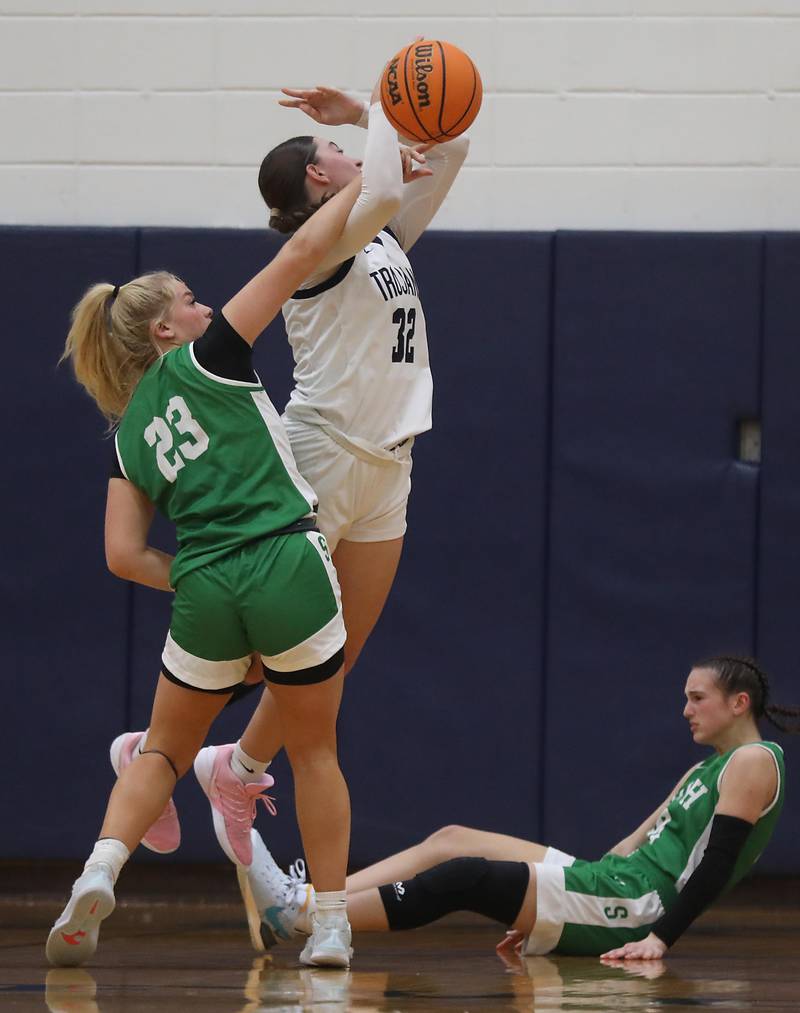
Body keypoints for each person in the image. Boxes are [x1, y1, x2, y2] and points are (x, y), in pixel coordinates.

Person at [45, 81, 428, 970]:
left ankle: (99, 871)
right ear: (164, 332)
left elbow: (118, 553)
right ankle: (330, 922)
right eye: (185, 298)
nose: (202, 302)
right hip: (286, 561)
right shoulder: (216, 358)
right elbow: (300, 250)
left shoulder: (127, 433)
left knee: (166, 748)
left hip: (205, 584)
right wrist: (366, 135)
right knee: (315, 746)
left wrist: (183, 577)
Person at [111, 74, 470, 867]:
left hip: (391, 461)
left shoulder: (379, 234)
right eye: (334, 150)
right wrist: (368, 109)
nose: (347, 151)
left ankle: (228, 767)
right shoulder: (323, 247)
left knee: (339, 650)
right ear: (317, 175)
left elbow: (449, 149)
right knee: (280, 642)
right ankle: (162, 749)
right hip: (326, 450)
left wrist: (399, 121)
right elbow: (382, 174)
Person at [239, 656, 797, 960]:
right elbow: (630, 844)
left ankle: (297, 918)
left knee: (465, 877)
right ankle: (317, 899)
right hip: (613, 882)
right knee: (452, 838)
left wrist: (659, 939)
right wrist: (546, 903)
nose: (685, 709)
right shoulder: (707, 767)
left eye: (697, 698)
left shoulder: (753, 762)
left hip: (638, 906)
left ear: (738, 702)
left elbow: (715, 867)